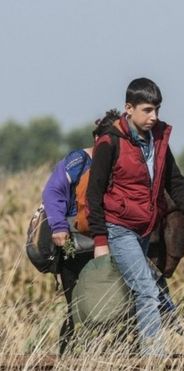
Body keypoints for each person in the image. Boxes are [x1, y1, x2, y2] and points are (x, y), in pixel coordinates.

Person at [86, 78, 184, 355]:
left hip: (145, 228)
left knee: (132, 294)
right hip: (118, 228)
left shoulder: (159, 141)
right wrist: (100, 240)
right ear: (128, 108)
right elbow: (93, 195)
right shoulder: (110, 143)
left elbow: (175, 182)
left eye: (157, 110)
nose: (154, 117)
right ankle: (155, 357)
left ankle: (122, 352)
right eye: (147, 110)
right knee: (147, 290)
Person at [42, 111, 116, 355]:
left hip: (107, 242)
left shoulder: (124, 162)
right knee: (76, 308)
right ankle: (67, 358)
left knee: (113, 306)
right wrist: (59, 227)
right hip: (76, 242)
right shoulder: (78, 161)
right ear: (97, 139)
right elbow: (53, 192)